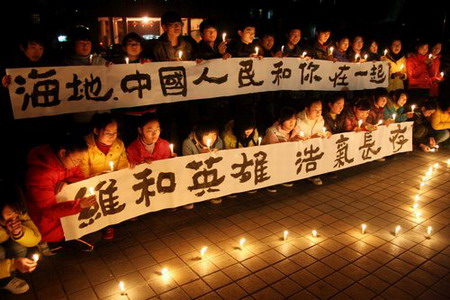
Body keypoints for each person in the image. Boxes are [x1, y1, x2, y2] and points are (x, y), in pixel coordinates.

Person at [25, 134, 97, 254]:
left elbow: (79, 177)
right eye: (76, 160)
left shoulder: (67, 163)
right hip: (46, 220)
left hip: (65, 209)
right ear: (63, 153)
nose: (77, 164)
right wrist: (78, 205)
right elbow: (47, 210)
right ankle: (54, 243)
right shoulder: (40, 174)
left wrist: (67, 182)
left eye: (80, 161)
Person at [79, 113, 129, 240]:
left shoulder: (119, 145)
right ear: (96, 130)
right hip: (92, 184)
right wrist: (99, 176)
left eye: (115, 132)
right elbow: (82, 174)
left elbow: (123, 166)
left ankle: (111, 222)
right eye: (108, 133)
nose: (112, 137)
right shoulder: (84, 147)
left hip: (112, 182)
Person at [0, 182, 40, 294]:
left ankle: (9, 276)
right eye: (9, 214)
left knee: (19, 245)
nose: (14, 217)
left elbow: (36, 238)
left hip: (4, 239)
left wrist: (18, 233)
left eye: (17, 213)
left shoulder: (17, 210)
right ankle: (3, 281)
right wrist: (13, 264)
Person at [262, 106, 303, 192]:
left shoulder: (296, 129)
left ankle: (284, 177)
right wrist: (291, 141)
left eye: (294, 119)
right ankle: (269, 182)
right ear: (281, 120)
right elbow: (275, 150)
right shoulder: (272, 131)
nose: (292, 122)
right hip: (269, 158)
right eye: (288, 120)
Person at [297, 98, 331, 185]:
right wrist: (312, 137)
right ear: (306, 109)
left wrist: (327, 133)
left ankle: (314, 174)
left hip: (314, 150)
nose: (318, 113)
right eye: (315, 110)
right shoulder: (298, 121)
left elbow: (323, 132)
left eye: (320, 110)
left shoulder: (321, 120)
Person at [406, 41, 432, 105]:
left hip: (426, 88)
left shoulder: (428, 59)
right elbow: (413, 74)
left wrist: (430, 66)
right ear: (417, 47)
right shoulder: (411, 58)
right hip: (415, 88)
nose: (425, 50)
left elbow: (430, 74)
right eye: (422, 48)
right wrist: (424, 64)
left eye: (426, 48)